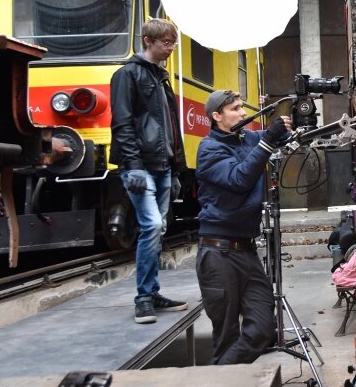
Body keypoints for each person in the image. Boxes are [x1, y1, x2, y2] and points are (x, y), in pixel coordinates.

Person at [195, 89, 292, 365]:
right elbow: (239, 179)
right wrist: (268, 141)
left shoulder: (246, 139)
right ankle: (222, 377)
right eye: (235, 109)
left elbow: (273, 140)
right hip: (218, 254)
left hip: (246, 250)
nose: (242, 113)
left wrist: (291, 122)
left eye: (241, 107)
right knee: (226, 336)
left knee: (263, 328)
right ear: (217, 116)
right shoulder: (209, 149)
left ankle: (222, 373)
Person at [110, 18, 189, 324]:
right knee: (152, 226)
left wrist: (177, 170)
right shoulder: (128, 75)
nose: (171, 48)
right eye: (166, 43)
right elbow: (123, 124)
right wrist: (132, 167)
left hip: (163, 166)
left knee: (157, 231)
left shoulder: (160, 78)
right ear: (147, 41)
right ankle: (143, 298)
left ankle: (152, 292)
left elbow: (171, 128)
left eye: (173, 42)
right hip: (142, 167)